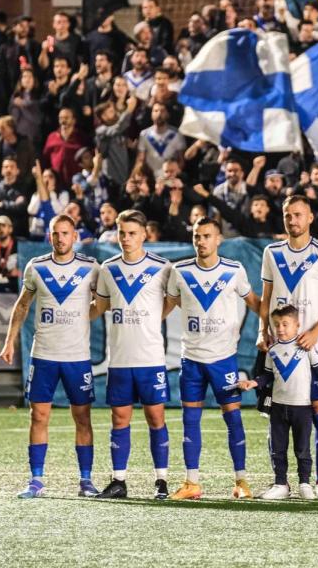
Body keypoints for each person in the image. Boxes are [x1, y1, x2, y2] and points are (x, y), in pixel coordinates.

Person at [0, 215, 100, 498]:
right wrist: (10, 341)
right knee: (39, 416)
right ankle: (36, 480)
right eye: (55, 233)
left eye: (65, 233)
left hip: (77, 356)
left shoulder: (90, 267)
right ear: (50, 237)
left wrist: (86, 316)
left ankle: (86, 481)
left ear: (75, 235)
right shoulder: (37, 266)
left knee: (82, 418)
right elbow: (22, 305)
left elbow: (102, 301)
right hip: (43, 354)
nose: (60, 238)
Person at [164, 217, 260, 500]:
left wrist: (269, 328)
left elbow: (254, 302)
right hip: (191, 359)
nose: (201, 241)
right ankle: (192, 483)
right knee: (190, 419)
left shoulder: (234, 270)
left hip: (223, 359)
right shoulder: (179, 270)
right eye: (197, 236)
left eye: (206, 236)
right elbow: (167, 307)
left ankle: (241, 482)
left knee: (233, 419)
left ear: (218, 239)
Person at [259, 195, 318, 498]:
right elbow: (265, 298)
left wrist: (315, 332)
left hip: (313, 347)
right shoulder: (272, 252)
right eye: (287, 215)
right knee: (277, 416)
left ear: (310, 217)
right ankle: (280, 482)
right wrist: (262, 330)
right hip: (280, 350)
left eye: (298, 215)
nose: (292, 220)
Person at [91, 210, 174, 500]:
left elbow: (173, 299)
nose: (126, 239)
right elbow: (98, 306)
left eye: (132, 233)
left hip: (151, 358)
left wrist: (154, 320)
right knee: (119, 419)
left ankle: (161, 481)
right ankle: (119, 482)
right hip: (120, 359)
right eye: (121, 233)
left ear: (144, 235)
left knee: (156, 418)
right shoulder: (108, 269)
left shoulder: (162, 267)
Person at [241, 304, 318, 500]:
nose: (281, 329)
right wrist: (253, 382)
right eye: (277, 325)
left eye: (285, 324)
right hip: (278, 407)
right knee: (278, 449)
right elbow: (267, 376)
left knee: (302, 449)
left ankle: (304, 483)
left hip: (302, 408)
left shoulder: (306, 347)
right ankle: (280, 483)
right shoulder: (272, 350)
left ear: (297, 325)